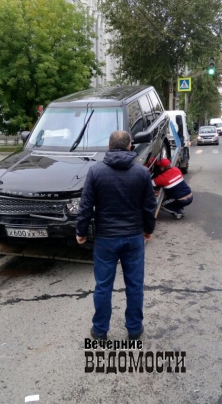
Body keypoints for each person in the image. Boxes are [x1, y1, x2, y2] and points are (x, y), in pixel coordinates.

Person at [76, 130, 157, 340]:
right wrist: (148, 230)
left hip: (106, 239)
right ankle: (134, 329)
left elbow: (86, 206)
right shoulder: (141, 173)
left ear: (109, 147)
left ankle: (100, 330)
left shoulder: (95, 172)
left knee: (103, 286)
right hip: (133, 238)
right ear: (130, 146)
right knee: (135, 285)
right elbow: (149, 206)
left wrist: (81, 232)